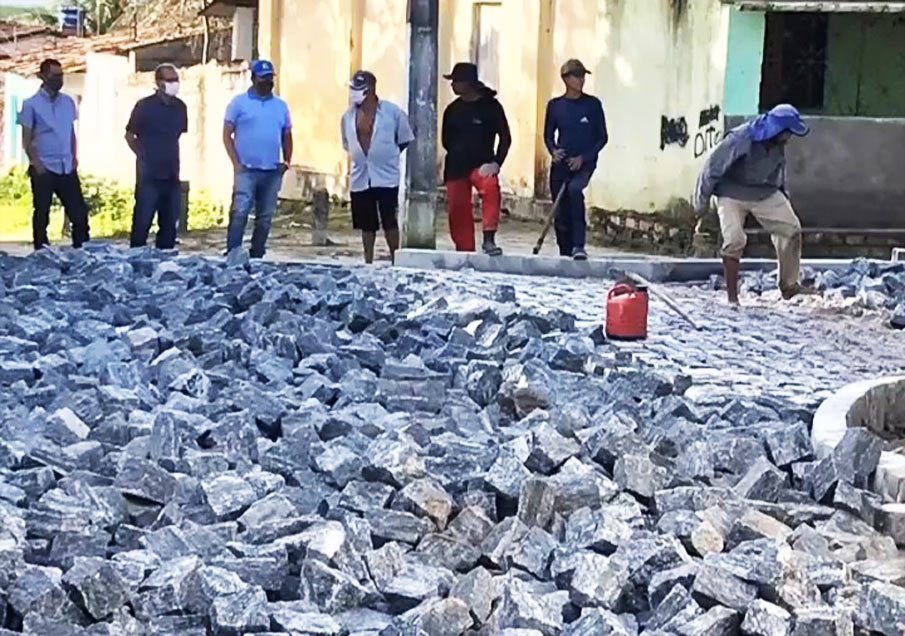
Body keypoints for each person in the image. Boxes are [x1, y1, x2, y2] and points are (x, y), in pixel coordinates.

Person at [695, 103, 810, 305]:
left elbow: (779, 174)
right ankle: (732, 298)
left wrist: (784, 199)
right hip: (731, 192)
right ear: (778, 130)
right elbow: (712, 168)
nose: (790, 138)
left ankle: (789, 286)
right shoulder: (740, 138)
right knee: (734, 239)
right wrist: (701, 203)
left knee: (792, 229)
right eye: (788, 133)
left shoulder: (778, 146)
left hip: (764, 192)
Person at [341, 70, 414, 264]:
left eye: (360, 89)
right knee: (366, 223)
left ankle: (395, 257)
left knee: (389, 219)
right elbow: (347, 143)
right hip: (360, 175)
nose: (355, 93)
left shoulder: (392, 113)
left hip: (386, 175)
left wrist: (387, 154)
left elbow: (405, 139)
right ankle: (368, 259)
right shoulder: (348, 117)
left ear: (371, 89)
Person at [223, 59, 292, 259]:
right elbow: (227, 133)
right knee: (240, 212)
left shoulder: (280, 106)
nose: (267, 82)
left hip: (271, 170)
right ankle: (233, 252)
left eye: (270, 78)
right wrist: (236, 163)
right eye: (263, 78)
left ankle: (257, 254)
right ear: (253, 78)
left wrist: (286, 161)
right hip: (246, 169)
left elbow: (286, 134)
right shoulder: (239, 103)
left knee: (265, 216)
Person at [18, 59, 90, 251]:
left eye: (61, 75)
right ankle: (41, 250)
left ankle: (81, 249)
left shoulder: (68, 102)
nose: (59, 80)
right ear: (43, 76)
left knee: (79, 212)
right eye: (54, 76)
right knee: (42, 212)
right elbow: (27, 137)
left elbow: (70, 132)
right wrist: (36, 163)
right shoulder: (31, 105)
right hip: (44, 167)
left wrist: (74, 156)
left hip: (66, 165)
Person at [441, 62, 511, 256]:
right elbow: (446, 140)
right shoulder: (452, 110)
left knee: (490, 189)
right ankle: (464, 249)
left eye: (456, 81)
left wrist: (497, 162)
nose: (453, 85)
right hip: (456, 166)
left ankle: (489, 239)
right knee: (457, 208)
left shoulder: (491, 107)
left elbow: (505, 137)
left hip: (483, 165)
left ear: (468, 83)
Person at [543, 59, 608, 261]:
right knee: (560, 208)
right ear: (565, 79)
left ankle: (578, 245)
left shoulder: (593, 105)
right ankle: (564, 249)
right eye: (576, 76)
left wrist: (584, 158)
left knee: (574, 192)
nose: (580, 80)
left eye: (582, 76)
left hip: (584, 163)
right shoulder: (555, 106)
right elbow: (548, 135)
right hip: (562, 163)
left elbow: (602, 137)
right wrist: (553, 151)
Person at [125, 63, 188, 250]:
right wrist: (142, 154)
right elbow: (129, 134)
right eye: (170, 80)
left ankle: (165, 260)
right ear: (159, 83)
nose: (174, 84)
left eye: (176, 79)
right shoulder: (144, 106)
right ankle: (136, 257)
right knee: (143, 219)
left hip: (171, 172)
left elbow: (178, 134)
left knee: (169, 223)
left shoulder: (180, 107)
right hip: (149, 174)